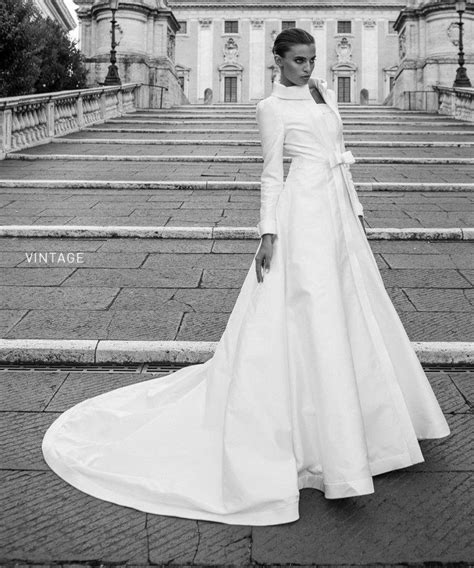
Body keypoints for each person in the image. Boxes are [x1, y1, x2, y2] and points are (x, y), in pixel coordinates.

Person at [42, 28, 451, 527]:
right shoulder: (270, 108)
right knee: (312, 308)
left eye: (312, 59)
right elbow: (272, 173)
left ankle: (368, 429)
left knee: (353, 309)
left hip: (338, 215)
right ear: (277, 61)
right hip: (302, 212)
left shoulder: (322, 93)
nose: (308, 67)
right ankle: (319, 443)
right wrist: (268, 232)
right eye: (299, 60)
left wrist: (358, 209)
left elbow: (339, 157)